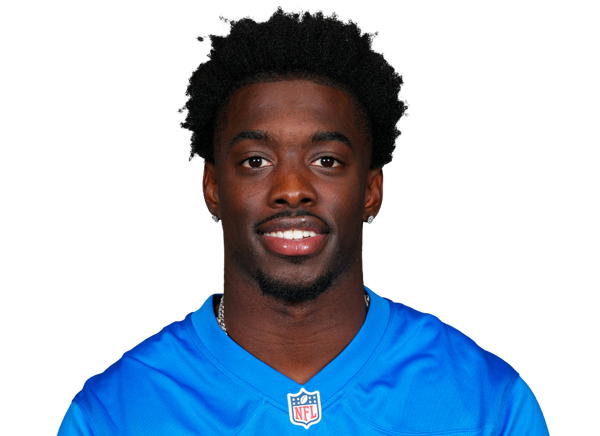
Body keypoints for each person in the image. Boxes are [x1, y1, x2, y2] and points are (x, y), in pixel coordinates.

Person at [58, 7, 549, 435]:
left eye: (326, 160)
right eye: (256, 161)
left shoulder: (487, 402)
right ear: (212, 188)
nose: (292, 189)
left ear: (372, 191)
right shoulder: (114, 413)